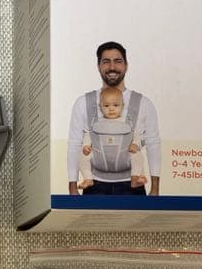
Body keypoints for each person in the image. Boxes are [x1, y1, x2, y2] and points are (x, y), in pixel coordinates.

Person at [67, 42, 161, 196]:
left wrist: (155, 189)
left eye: (118, 61)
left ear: (126, 65)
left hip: (132, 187)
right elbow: (74, 144)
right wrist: (72, 188)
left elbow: (153, 144)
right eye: (106, 61)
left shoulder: (143, 103)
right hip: (94, 185)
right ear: (98, 66)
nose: (112, 67)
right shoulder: (83, 102)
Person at [76, 86, 147, 191]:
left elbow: (137, 135)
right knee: (83, 155)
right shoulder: (96, 123)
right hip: (98, 160)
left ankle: (135, 177)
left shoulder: (128, 122)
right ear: (100, 107)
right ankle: (88, 178)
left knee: (137, 154)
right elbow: (89, 135)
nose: (111, 108)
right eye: (106, 105)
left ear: (122, 106)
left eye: (116, 105)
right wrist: (86, 146)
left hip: (124, 158)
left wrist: (136, 144)